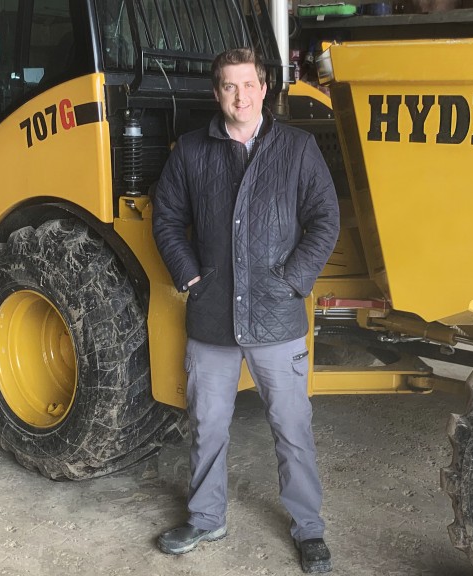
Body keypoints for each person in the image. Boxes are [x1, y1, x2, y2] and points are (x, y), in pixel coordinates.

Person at [151, 47, 340, 574]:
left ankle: (309, 529)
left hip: (276, 315)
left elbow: (325, 218)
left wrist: (294, 280)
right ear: (217, 93)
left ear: (265, 89)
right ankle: (207, 516)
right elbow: (166, 218)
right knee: (208, 424)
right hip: (212, 316)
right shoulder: (191, 150)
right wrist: (190, 275)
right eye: (230, 86)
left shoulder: (298, 148)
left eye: (249, 85)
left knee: (291, 426)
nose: (241, 95)